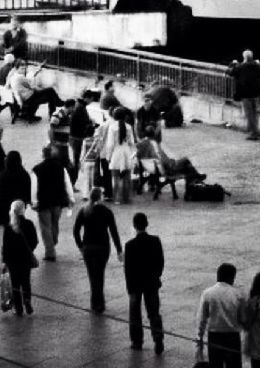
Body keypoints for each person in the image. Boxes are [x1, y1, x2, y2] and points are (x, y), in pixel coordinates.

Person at [71, 185, 122, 314]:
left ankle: (96, 303)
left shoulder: (84, 211)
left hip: (88, 247)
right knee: (100, 275)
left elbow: (76, 230)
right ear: (101, 197)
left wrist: (80, 246)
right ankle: (99, 303)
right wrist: (119, 250)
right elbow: (114, 232)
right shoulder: (106, 211)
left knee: (92, 276)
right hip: (103, 247)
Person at [122, 210, 165, 352]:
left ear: (134, 226)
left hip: (135, 284)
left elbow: (127, 269)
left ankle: (137, 341)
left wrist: (129, 288)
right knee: (153, 312)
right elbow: (160, 262)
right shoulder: (155, 241)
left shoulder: (130, 245)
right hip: (151, 282)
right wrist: (156, 276)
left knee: (135, 313)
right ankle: (158, 337)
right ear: (146, 224)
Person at [195, 261, 247, 368]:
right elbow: (243, 319)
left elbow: (201, 319)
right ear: (231, 278)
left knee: (215, 364)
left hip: (214, 336)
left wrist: (199, 339)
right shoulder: (239, 294)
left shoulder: (207, 293)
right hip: (233, 337)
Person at [31, 143, 73, 261]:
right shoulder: (61, 168)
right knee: (55, 223)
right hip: (58, 201)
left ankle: (50, 252)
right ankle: (53, 241)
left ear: (43, 155)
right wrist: (71, 198)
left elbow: (34, 186)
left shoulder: (37, 169)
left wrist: (34, 201)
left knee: (45, 227)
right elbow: (67, 183)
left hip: (44, 202)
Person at [0, 198, 39, 317]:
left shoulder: (8, 228)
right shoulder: (29, 224)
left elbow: (5, 247)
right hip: (25, 259)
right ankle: (27, 301)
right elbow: (35, 241)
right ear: (23, 210)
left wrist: (5, 261)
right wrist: (30, 250)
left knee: (15, 284)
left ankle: (18, 308)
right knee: (26, 282)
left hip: (12, 261)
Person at [0, 150, 32, 239]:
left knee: (7, 231)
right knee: (18, 226)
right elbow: (28, 192)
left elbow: (0, 194)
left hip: (5, 208)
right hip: (19, 206)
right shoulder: (24, 174)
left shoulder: (3, 175)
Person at [103, 107, 137, 204]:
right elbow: (132, 142)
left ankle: (117, 199)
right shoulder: (129, 127)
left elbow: (110, 144)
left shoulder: (112, 127)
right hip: (126, 152)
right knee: (127, 177)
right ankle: (126, 198)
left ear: (114, 116)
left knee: (115, 178)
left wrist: (108, 157)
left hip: (116, 153)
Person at [227, 50, 260, 139]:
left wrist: (233, 64)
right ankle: (256, 131)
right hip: (255, 93)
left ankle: (253, 133)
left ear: (244, 58)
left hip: (245, 93)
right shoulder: (256, 66)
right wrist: (258, 64)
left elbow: (230, 72)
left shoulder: (241, 67)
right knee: (254, 113)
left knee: (249, 114)